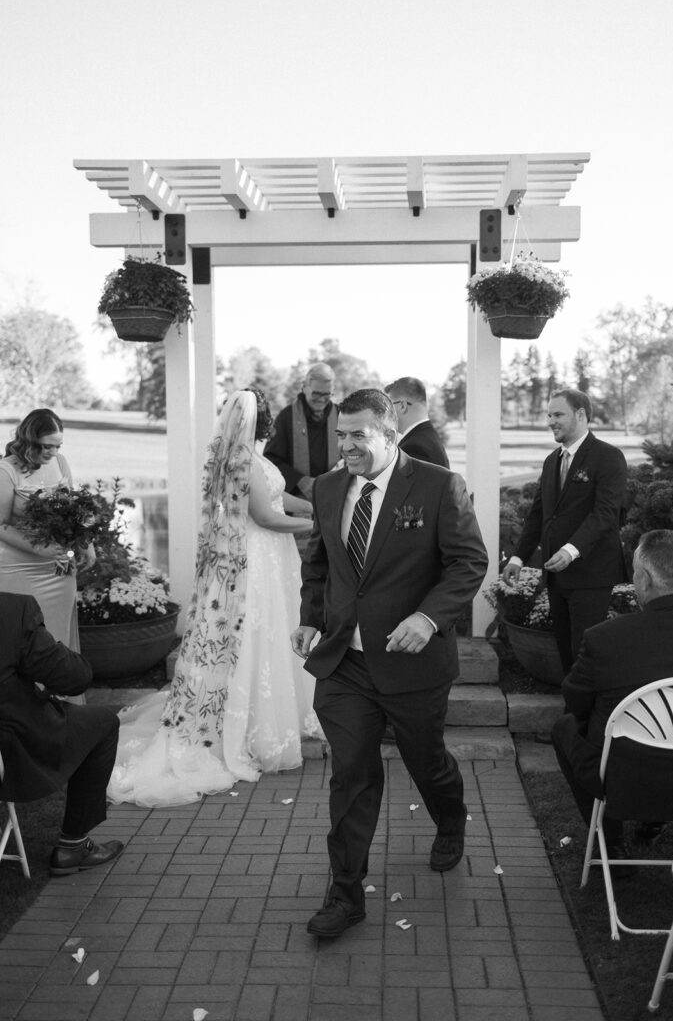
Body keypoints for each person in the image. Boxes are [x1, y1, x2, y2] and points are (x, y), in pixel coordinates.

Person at [291, 388, 488, 939]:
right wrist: (311, 618)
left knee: (426, 761)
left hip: (412, 665)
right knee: (351, 775)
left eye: (359, 435)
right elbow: (320, 566)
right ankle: (345, 895)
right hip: (345, 666)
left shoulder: (437, 485)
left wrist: (428, 619)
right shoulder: (331, 489)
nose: (347, 445)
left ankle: (450, 818)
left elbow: (469, 562)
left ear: (390, 433)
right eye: (341, 435)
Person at [108, 388, 322, 807]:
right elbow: (265, 516)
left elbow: (278, 496)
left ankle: (282, 715)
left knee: (278, 631)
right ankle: (253, 728)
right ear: (262, 420)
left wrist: (317, 505)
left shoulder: (250, 457)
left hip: (272, 560)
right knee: (258, 636)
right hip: (256, 561)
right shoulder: (242, 460)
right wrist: (319, 527)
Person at [551, 529, 673, 857]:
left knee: (565, 727)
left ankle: (612, 847)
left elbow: (576, 703)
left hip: (626, 779)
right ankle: (652, 823)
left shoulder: (606, 639)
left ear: (646, 580)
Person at [502, 389, 627, 674]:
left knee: (584, 654)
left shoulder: (608, 457)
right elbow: (538, 515)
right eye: (548, 415)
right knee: (565, 653)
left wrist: (571, 550)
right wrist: (517, 558)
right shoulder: (551, 461)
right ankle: (571, 712)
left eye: (558, 414)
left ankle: (586, 716)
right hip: (556, 577)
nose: (550, 421)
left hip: (591, 574)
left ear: (581, 415)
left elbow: (605, 513)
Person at [0, 592, 122, 875]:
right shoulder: (11, 609)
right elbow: (74, 677)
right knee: (104, 722)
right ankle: (73, 846)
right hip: (11, 749)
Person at [0, 409, 95, 653]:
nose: (52, 453)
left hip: (59, 568)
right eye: (46, 447)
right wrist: (41, 548)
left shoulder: (60, 463)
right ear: (29, 441)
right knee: (24, 641)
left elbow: (77, 508)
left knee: (58, 638)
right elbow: (1, 524)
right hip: (18, 569)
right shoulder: (6, 471)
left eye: (58, 446)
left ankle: (61, 690)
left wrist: (87, 544)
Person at [265, 363, 338, 501]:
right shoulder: (287, 417)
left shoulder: (341, 416)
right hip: (297, 500)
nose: (322, 399)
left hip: (333, 498)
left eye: (326, 394)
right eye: (316, 393)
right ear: (304, 387)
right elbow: (271, 460)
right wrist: (299, 480)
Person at [385, 376, 449, 468]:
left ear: (402, 406)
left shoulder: (414, 448)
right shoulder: (428, 437)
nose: (385, 413)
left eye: (388, 407)